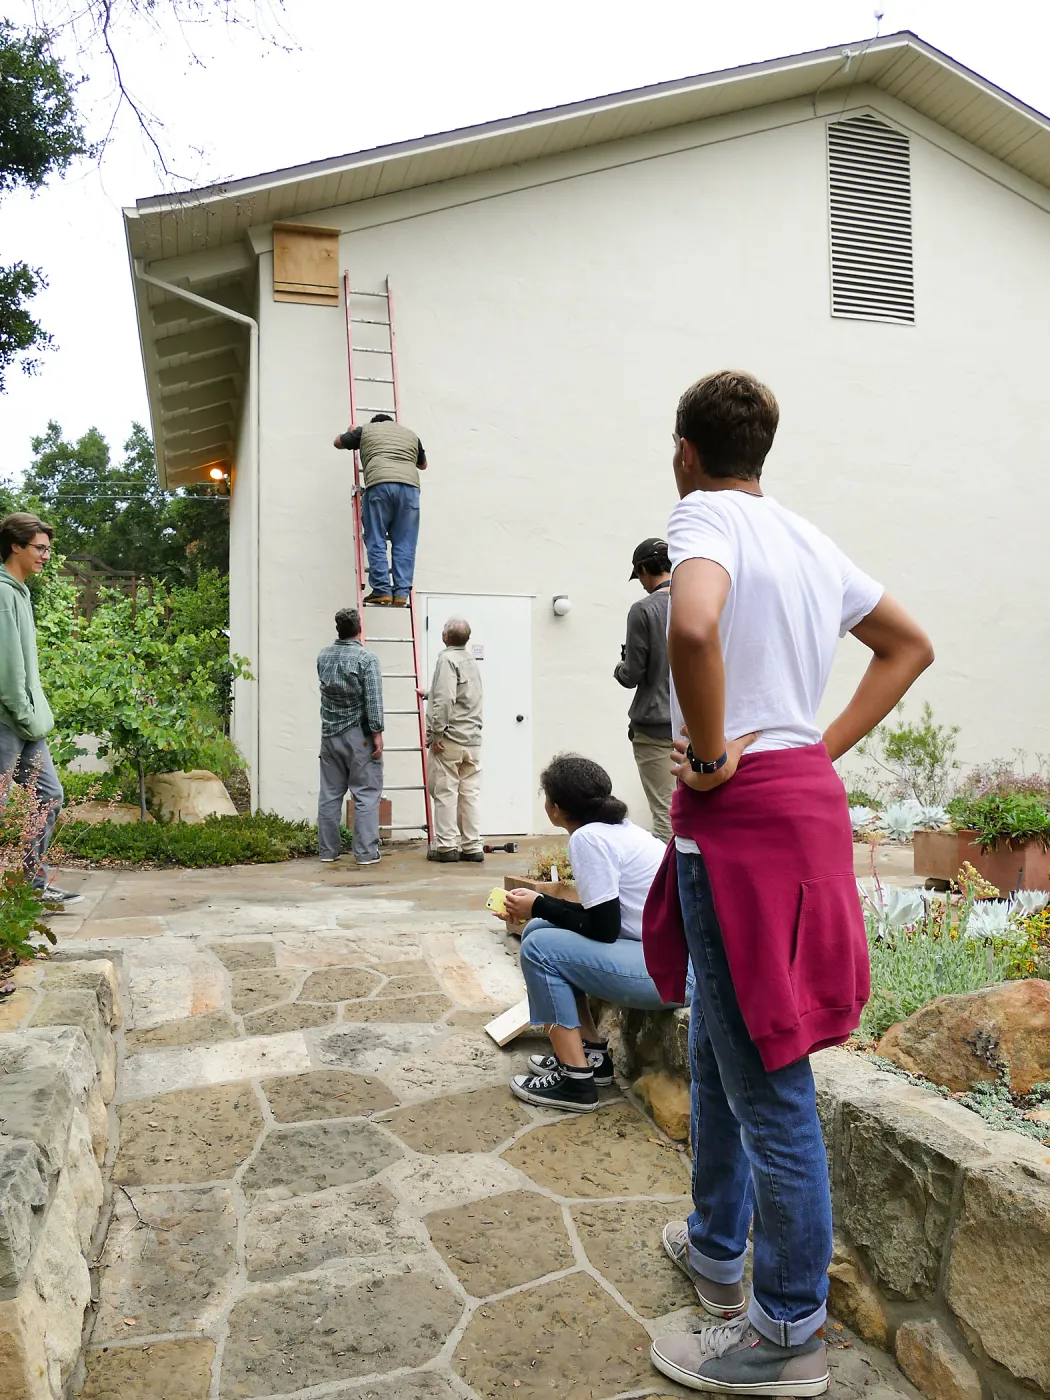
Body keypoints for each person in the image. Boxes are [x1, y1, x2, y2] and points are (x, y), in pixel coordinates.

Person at [643, 371, 933, 1396]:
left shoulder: (700, 516)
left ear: (688, 448)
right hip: (796, 801)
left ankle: (786, 1329)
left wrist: (716, 752)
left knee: (768, 1074)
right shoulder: (808, 538)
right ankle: (720, 1247)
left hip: (742, 815)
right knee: (717, 1040)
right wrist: (817, 744)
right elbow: (911, 645)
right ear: (762, 452)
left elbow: (693, 626)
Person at [496, 753, 691, 1113]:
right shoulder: (620, 830)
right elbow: (600, 918)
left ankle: (576, 1082)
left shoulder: (587, 838)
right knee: (541, 928)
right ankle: (591, 1056)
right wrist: (539, 907)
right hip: (672, 962)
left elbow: (602, 930)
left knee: (538, 944)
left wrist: (538, 905)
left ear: (554, 807)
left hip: (674, 974)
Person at [0, 513, 81, 907]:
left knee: (48, 795)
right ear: (15, 545)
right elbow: (7, 671)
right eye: (40, 547)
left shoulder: (19, 591)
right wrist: (26, 715)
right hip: (7, 721)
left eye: (48, 548)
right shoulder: (1, 593)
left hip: (25, 722)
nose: (47, 555)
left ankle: (31, 887)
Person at [615, 536, 674, 842]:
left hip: (655, 728)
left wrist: (620, 667)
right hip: (700, 727)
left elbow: (633, 674)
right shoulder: (701, 601)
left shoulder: (644, 609)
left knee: (666, 812)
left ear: (643, 569)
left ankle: (669, 888)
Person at [333, 413, 427, 606]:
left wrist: (351, 432)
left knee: (376, 537)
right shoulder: (410, 435)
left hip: (380, 485)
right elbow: (422, 464)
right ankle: (401, 593)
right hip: (410, 490)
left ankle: (382, 589)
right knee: (405, 542)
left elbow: (338, 442)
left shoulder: (365, 430)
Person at [316, 607, 384, 866]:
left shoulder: (323, 656)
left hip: (329, 734)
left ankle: (328, 851)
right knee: (366, 793)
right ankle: (366, 853)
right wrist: (377, 733)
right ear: (359, 629)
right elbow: (373, 701)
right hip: (358, 735)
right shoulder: (367, 660)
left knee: (330, 794)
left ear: (338, 629)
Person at [424, 618, 483, 863]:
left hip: (450, 739)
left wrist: (436, 733)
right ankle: (472, 846)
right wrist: (430, 693)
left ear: (445, 637)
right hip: (473, 740)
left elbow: (446, 698)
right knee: (469, 794)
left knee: (445, 792)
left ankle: (447, 847)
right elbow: (463, 694)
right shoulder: (471, 660)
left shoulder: (446, 659)